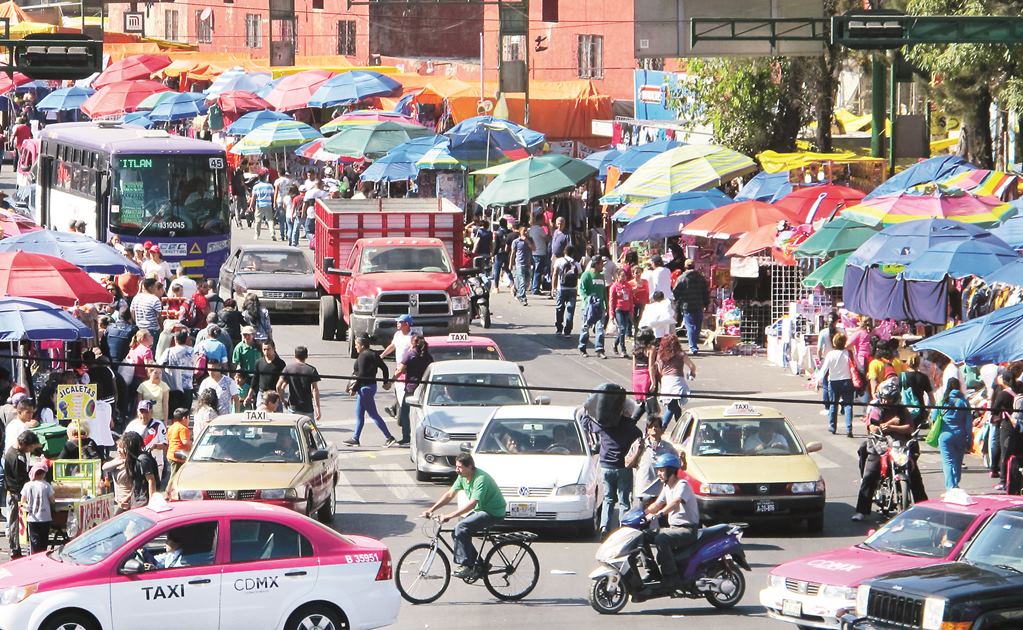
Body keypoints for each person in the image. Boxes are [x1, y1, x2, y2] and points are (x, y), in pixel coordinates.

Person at [852, 378, 928, 520]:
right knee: (870, 474)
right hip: (880, 445)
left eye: (890, 399)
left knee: (915, 476)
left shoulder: (902, 409)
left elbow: (909, 427)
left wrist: (892, 427)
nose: (887, 402)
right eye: (885, 399)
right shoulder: (876, 408)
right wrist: (887, 424)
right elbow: (872, 427)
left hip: (900, 447)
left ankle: (924, 508)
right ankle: (861, 510)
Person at [421, 453, 506, 579]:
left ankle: (467, 566)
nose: (457, 470)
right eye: (456, 467)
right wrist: (431, 509)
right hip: (481, 510)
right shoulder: (462, 477)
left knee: (461, 527)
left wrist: (449, 515)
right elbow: (450, 495)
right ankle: (479, 565)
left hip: (493, 512)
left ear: (470, 466)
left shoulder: (480, 479)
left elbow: (472, 504)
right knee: (456, 532)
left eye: (460, 467)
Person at [581, 399, 642, 538]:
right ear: (627, 411)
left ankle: (604, 528)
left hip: (606, 466)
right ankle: (623, 528)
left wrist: (587, 410)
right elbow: (640, 436)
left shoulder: (606, 424)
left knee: (608, 498)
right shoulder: (630, 427)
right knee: (624, 500)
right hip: (623, 467)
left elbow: (587, 424)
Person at [644, 452, 699, 588]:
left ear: (671, 471)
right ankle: (653, 572)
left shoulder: (682, 485)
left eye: (662, 470)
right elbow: (657, 504)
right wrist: (641, 514)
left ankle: (671, 577)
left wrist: (659, 515)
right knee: (642, 536)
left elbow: (675, 502)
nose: (659, 474)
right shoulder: (667, 486)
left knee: (661, 539)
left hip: (687, 529)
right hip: (674, 528)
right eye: (658, 470)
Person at [344, 335, 395, 447]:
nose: (355, 347)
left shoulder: (363, 356)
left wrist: (354, 388)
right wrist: (385, 381)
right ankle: (355, 438)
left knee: (373, 414)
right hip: (370, 387)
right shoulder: (374, 354)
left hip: (364, 388)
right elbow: (385, 368)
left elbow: (361, 375)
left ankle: (389, 437)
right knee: (359, 414)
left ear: (362, 345)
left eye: (356, 344)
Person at [4, 430, 42, 559]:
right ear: (23, 444)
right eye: (31, 447)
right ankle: (15, 549)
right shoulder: (15, 456)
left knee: (17, 522)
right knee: (15, 522)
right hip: (15, 493)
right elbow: (19, 478)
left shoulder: (17, 453)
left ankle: (17, 548)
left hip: (16, 491)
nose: (31, 449)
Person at [626, 419, 678, 507]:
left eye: (657, 426)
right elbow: (627, 464)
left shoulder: (668, 448)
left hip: (662, 493)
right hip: (644, 493)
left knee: (662, 519)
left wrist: (682, 459)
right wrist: (637, 452)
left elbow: (679, 466)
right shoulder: (639, 444)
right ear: (647, 430)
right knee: (644, 519)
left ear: (662, 430)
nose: (654, 428)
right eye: (651, 427)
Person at [393, 334, 433, 447]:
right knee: (422, 414)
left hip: (411, 388)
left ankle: (406, 437)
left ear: (413, 343)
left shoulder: (410, 355)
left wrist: (390, 380)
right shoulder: (427, 356)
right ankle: (422, 436)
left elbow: (400, 370)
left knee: (405, 413)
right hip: (424, 389)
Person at [650, 334, 696, 428]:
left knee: (676, 406)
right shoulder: (680, 353)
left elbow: (657, 369)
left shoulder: (660, 355)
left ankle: (681, 427)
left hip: (666, 381)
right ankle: (662, 427)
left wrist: (654, 382)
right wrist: (692, 373)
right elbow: (692, 366)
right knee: (672, 406)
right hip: (677, 381)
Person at [817, 333, 856, 437]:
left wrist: (818, 380)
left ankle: (833, 426)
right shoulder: (849, 353)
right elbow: (857, 365)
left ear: (834, 342)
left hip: (834, 382)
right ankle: (849, 428)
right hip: (848, 381)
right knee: (848, 405)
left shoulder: (830, 354)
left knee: (833, 404)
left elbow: (824, 369)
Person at [124, 400, 169, 487]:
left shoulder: (158, 425)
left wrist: (156, 446)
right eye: (141, 412)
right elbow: (124, 441)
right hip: (136, 462)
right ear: (137, 412)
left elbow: (165, 445)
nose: (143, 415)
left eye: (146, 412)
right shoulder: (132, 425)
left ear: (151, 412)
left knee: (154, 485)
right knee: (138, 486)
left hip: (154, 462)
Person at [938, 377, 972, 490]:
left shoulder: (943, 401)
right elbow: (968, 423)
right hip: (961, 435)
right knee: (958, 461)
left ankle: (950, 487)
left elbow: (934, 417)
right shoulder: (964, 402)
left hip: (945, 434)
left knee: (947, 462)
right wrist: (969, 438)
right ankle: (955, 483)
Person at [672, 260, 709, 355]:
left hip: (686, 305)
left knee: (690, 326)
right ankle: (694, 344)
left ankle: (693, 347)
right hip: (698, 304)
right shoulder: (701, 278)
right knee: (697, 326)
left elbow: (676, 293)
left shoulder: (682, 278)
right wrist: (706, 303)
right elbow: (705, 292)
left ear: (685, 267)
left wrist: (676, 304)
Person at [381, 315, 414, 418]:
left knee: (404, 390)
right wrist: (382, 355)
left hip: (407, 368)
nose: (397, 323)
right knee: (399, 389)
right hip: (399, 365)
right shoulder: (397, 335)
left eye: (400, 322)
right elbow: (393, 346)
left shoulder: (412, 337)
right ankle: (396, 408)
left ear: (407, 324)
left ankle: (403, 413)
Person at [276, 346, 321, 421]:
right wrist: (318, 408)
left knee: (293, 429)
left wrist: (283, 400)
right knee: (310, 430)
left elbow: (278, 386)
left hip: (293, 406)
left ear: (295, 355)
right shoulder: (311, 370)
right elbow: (314, 389)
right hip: (307, 407)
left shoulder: (288, 368)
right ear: (306, 356)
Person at [578, 256, 608, 359]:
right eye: (601, 264)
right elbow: (581, 290)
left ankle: (600, 349)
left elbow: (604, 292)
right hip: (589, 307)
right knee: (585, 327)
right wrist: (588, 300)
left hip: (600, 306)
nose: (603, 266)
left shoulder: (601, 276)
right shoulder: (586, 275)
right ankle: (582, 348)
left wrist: (606, 305)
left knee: (600, 328)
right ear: (596, 264)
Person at [20, 463, 54, 555]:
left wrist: (28, 507)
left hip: (33, 518)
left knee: (34, 542)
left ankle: (34, 558)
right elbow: (52, 501)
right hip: (45, 518)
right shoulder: (47, 485)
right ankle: (42, 557)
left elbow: (22, 502)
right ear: (43, 474)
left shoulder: (27, 485)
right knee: (44, 541)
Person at [159, 330, 194, 414]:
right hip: (188, 386)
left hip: (173, 386)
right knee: (185, 414)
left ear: (175, 339)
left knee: (173, 413)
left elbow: (159, 365)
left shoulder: (169, 351)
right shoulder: (192, 351)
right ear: (186, 339)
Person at [120, 431, 159, 508]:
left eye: (124, 447)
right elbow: (136, 483)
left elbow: (151, 481)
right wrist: (127, 498)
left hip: (144, 502)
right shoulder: (135, 459)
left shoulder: (143, 459)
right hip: (137, 501)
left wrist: (152, 504)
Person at [552, 245, 582, 337]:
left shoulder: (559, 261)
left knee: (560, 308)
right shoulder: (576, 263)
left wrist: (553, 287)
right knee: (570, 309)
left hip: (561, 288)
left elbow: (555, 274)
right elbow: (580, 274)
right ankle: (568, 331)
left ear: (564, 252)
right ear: (573, 253)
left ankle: (559, 328)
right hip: (573, 289)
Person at [249, 340, 286, 410]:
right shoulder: (259, 362)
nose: (266, 352)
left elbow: (284, 381)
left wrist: (282, 397)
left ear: (274, 349)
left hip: (275, 394)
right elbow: (255, 379)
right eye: (264, 349)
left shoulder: (280, 363)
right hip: (262, 394)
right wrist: (249, 394)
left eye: (268, 349)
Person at [609, 267, 635, 358]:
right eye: (622, 276)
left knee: (623, 330)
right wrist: (611, 314)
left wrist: (631, 311)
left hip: (626, 309)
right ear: (618, 276)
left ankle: (615, 344)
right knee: (622, 328)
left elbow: (631, 299)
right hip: (618, 309)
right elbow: (611, 301)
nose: (624, 278)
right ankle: (623, 349)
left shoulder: (628, 286)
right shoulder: (614, 287)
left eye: (625, 276)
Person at [130, 278, 163, 346]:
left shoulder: (136, 297)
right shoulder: (155, 299)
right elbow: (158, 316)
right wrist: (162, 329)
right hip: (153, 331)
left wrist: (137, 322)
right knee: (152, 353)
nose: (157, 288)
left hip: (140, 329)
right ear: (151, 287)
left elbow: (132, 311)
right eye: (156, 286)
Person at [509, 224, 534, 305]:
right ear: (520, 232)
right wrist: (510, 263)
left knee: (527, 282)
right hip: (519, 263)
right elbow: (513, 253)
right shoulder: (516, 242)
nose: (526, 232)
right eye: (524, 231)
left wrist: (526, 240)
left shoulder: (530, 240)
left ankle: (515, 287)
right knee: (522, 282)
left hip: (528, 263)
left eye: (526, 231)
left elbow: (534, 248)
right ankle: (522, 297)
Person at [528, 212, 549, 295]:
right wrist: (548, 228)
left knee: (535, 270)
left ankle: (534, 286)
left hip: (534, 252)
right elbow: (547, 238)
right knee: (538, 271)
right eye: (543, 219)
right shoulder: (540, 229)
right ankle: (535, 288)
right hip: (540, 252)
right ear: (540, 220)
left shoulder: (532, 229)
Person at [491, 217, 514, 293]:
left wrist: (493, 254)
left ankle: (496, 287)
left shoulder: (497, 233)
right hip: (508, 252)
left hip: (499, 253)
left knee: (497, 270)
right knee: (508, 269)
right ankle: (512, 284)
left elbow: (496, 245)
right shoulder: (510, 232)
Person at [250, 173, 276, 240]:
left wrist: (251, 206)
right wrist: (273, 203)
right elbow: (272, 196)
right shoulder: (270, 186)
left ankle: (257, 235)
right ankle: (272, 233)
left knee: (258, 220)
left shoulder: (256, 186)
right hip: (268, 204)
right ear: (265, 177)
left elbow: (254, 197)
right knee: (270, 220)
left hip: (259, 205)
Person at [166, 408, 191, 474]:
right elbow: (185, 442)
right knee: (175, 476)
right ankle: (170, 485)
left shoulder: (171, 427)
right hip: (178, 456)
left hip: (171, 454)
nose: (190, 420)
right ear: (184, 418)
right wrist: (193, 445)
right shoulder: (183, 428)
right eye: (188, 418)